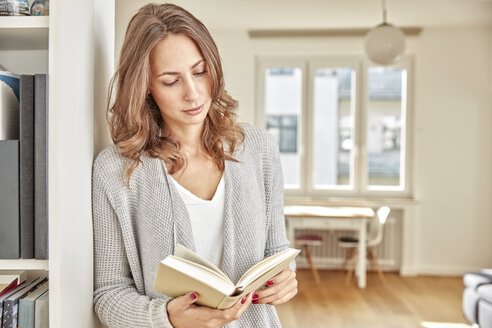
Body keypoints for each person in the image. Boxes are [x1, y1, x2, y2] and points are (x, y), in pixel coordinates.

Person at [92, 3, 297, 328]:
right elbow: (108, 293)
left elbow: (276, 250)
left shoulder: (259, 150)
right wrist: (166, 317)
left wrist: (287, 280)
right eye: (171, 81)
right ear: (146, 84)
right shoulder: (116, 171)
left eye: (200, 71)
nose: (193, 93)